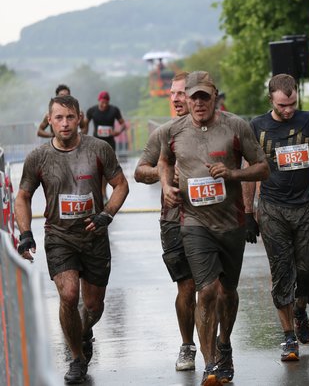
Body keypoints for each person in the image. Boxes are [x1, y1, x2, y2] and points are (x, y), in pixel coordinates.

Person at [157, 71, 269, 386]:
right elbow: (163, 161)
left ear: (214, 97)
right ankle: (210, 365)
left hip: (230, 224)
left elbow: (263, 168)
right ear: (187, 99)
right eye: (193, 98)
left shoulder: (236, 127)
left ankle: (225, 345)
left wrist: (233, 175)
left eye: (204, 97)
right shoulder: (173, 131)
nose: (198, 103)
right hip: (194, 223)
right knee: (206, 290)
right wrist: (166, 185)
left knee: (227, 292)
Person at [15, 95, 129, 384]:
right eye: (59, 118)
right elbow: (23, 196)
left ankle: (84, 331)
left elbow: (120, 185)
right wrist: (25, 233)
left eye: (69, 117)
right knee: (68, 295)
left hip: (94, 236)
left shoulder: (99, 149)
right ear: (49, 121)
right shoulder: (38, 157)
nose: (64, 123)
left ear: (79, 119)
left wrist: (107, 214)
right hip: (59, 236)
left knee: (93, 306)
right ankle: (77, 358)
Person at [242, 73, 309, 362]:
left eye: (292, 104)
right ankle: (287, 337)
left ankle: (300, 309)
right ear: (270, 100)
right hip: (272, 209)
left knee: (308, 273)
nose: (288, 110)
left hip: (306, 207)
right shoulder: (257, 126)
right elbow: (250, 170)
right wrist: (248, 213)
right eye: (282, 105)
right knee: (282, 272)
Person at [133, 71, 197, 371]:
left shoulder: (218, 129)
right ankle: (187, 345)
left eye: (180, 93)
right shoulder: (164, 133)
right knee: (187, 286)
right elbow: (139, 171)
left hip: (214, 217)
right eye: (172, 93)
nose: (175, 99)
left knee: (217, 289)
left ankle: (221, 346)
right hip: (174, 218)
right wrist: (164, 173)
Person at [86, 90, 127, 200]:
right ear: (98, 101)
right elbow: (84, 125)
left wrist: (118, 132)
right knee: (96, 169)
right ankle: (98, 191)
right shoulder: (92, 111)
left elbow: (123, 124)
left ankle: (103, 192)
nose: (104, 105)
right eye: (102, 103)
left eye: (106, 103)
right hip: (96, 144)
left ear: (108, 102)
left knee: (107, 169)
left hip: (109, 144)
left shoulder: (114, 110)